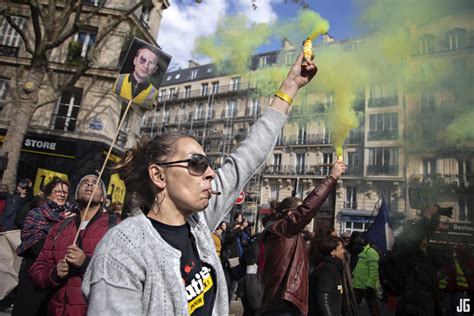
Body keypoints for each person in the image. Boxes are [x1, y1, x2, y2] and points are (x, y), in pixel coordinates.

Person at [81, 51, 317, 315]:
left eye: (208, 164)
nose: (211, 174)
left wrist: (290, 87)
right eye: (196, 163)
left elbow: (248, 155)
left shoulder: (199, 222)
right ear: (159, 176)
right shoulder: (123, 247)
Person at [262, 160, 346, 316]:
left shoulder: (287, 233)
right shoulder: (281, 230)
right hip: (284, 304)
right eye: (299, 212)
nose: (305, 220)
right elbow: (308, 208)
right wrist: (332, 177)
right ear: (290, 215)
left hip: (285, 302)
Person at [29, 174, 119, 315]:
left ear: (103, 198)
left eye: (95, 183)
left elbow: (125, 273)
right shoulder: (60, 227)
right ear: (76, 195)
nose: (89, 185)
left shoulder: (115, 227)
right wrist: (54, 273)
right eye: (84, 182)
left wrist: (86, 263)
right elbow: (37, 270)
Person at [12, 177, 74, 316]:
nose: (61, 194)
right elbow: (34, 244)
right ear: (48, 194)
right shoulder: (36, 213)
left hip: (57, 275)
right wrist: (61, 226)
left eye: (65, 192)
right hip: (34, 271)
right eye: (57, 191)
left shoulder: (74, 216)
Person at [394, 204, 452, 316]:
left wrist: (435, 215)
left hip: (426, 307)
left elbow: (428, 232)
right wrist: (425, 217)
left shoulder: (426, 254)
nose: (426, 237)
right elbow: (414, 237)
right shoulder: (408, 253)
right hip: (413, 308)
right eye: (422, 236)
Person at [308, 235, 346, 316]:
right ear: (333, 252)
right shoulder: (327, 270)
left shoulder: (333, 267)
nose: (344, 251)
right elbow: (323, 300)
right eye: (341, 248)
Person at [351, 233, 380, 316]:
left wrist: (370, 285)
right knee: (353, 307)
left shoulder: (371, 252)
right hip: (357, 285)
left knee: (373, 308)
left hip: (367, 286)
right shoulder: (359, 251)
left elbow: (374, 271)